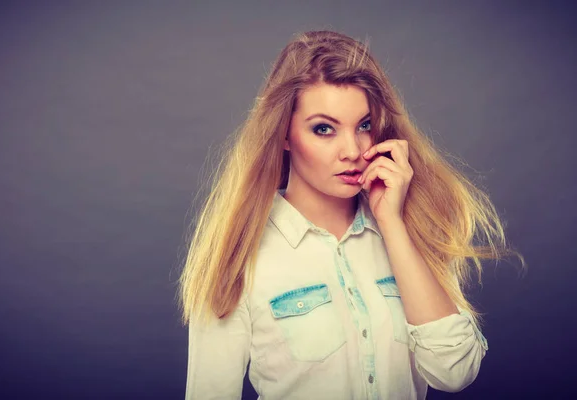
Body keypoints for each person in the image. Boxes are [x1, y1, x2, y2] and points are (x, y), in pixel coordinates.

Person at [177, 30, 525, 399]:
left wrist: (392, 225)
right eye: (324, 129)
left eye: (364, 126)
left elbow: (455, 373)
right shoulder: (239, 255)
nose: (353, 150)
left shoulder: (414, 229)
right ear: (284, 135)